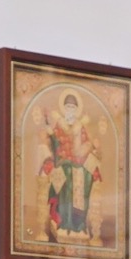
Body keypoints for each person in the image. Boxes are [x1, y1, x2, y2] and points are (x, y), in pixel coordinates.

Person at [39, 92, 103, 243]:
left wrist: (89, 148)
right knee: (67, 176)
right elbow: (54, 143)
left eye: (73, 107)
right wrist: (50, 132)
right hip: (63, 162)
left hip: (78, 162)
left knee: (86, 177)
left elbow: (87, 144)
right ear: (64, 109)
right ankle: (64, 223)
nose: (70, 110)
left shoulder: (81, 127)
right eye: (67, 107)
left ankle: (79, 225)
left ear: (76, 109)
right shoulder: (59, 125)